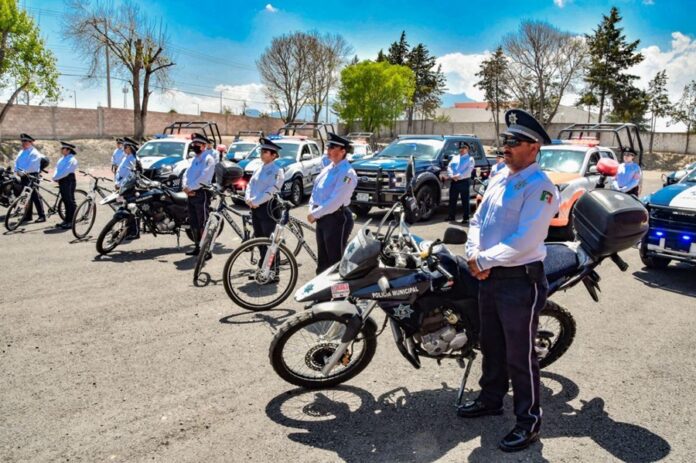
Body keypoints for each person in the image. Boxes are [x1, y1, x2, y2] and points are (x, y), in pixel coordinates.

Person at [459, 109, 560, 453]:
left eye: (514, 142)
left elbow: (526, 239)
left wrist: (482, 261)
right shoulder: (500, 174)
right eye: (505, 140)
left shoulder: (541, 187)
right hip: (488, 277)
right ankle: (490, 399)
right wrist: (473, 252)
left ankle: (528, 421)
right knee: (491, 345)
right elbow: (479, 218)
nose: (506, 147)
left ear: (534, 148)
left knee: (520, 356)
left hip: (519, 282)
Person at [308, 132, 357, 274]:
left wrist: (315, 214)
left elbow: (336, 201)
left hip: (336, 218)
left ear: (343, 151)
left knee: (334, 261)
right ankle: (323, 292)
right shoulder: (328, 168)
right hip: (323, 216)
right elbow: (316, 191)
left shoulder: (347, 173)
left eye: (332, 147)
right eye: (328, 147)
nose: (328, 151)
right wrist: (312, 208)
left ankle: (338, 294)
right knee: (323, 260)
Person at [245, 137, 285, 277]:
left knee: (270, 241)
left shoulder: (277, 171)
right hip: (255, 207)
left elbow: (271, 190)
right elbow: (250, 184)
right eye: (262, 150)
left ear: (274, 155)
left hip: (268, 208)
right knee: (260, 240)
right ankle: (263, 268)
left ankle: (273, 271)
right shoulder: (259, 168)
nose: (262, 153)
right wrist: (248, 198)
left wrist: (256, 201)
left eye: (266, 151)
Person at [182, 133, 217, 257]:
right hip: (190, 194)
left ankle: (206, 250)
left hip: (201, 193)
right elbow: (186, 174)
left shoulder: (208, 159)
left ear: (204, 145)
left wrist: (190, 188)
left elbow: (204, 178)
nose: (195, 146)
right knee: (193, 222)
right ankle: (197, 247)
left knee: (203, 223)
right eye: (194, 144)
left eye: (197, 144)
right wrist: (185, 187)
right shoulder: (195, 159)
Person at [13, 133, 46, 223]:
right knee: (26, 196)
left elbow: (32, 166)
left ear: (30, 142)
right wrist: (16, 170)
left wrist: (23, 172)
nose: (23, 143)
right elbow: (16, 162)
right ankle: (27, 215)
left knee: (35, 196)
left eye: (25, 141)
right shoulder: (21, 152)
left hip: (32, 176)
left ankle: (42, 215)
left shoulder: (34, 153)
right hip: (22, 175)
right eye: (22, 141)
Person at [114, 137, 140, 239]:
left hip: (130, 188)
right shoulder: (126, 157)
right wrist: (117, 182)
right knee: (121, 207)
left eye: (125, 147)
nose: (123, 148)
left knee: (132, 209)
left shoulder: (134, 160)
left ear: (130, 148)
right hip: (122, 187)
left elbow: (131, 176)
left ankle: (134, 231)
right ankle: (125, 229)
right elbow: (119, 172)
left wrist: (121, 184)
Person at [446, 141, 475, 224]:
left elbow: (469, 170)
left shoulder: (470, 159)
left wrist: (458, 176)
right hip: (454, 181)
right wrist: (451, 175)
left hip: (463, 181)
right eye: (460, 148)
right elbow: (449, 167)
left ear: (468, 149)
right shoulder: (455, 157)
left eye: (464, 148)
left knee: (465, 200)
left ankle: (466, 218)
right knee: (452, 200)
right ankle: (451, 216)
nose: (462, 150)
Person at [52, 141, 79, 229]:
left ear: (68, 150)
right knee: (65, 200)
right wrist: (55, 177)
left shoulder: (72, 160)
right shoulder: (62, 158)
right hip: (62, 180)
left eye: (63, 148)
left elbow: (66, 171)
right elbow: (57, 168)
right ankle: (66, 220)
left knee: (69, 201)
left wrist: (58, 177)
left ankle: (71, 221)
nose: (61, 149)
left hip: (68, 180)